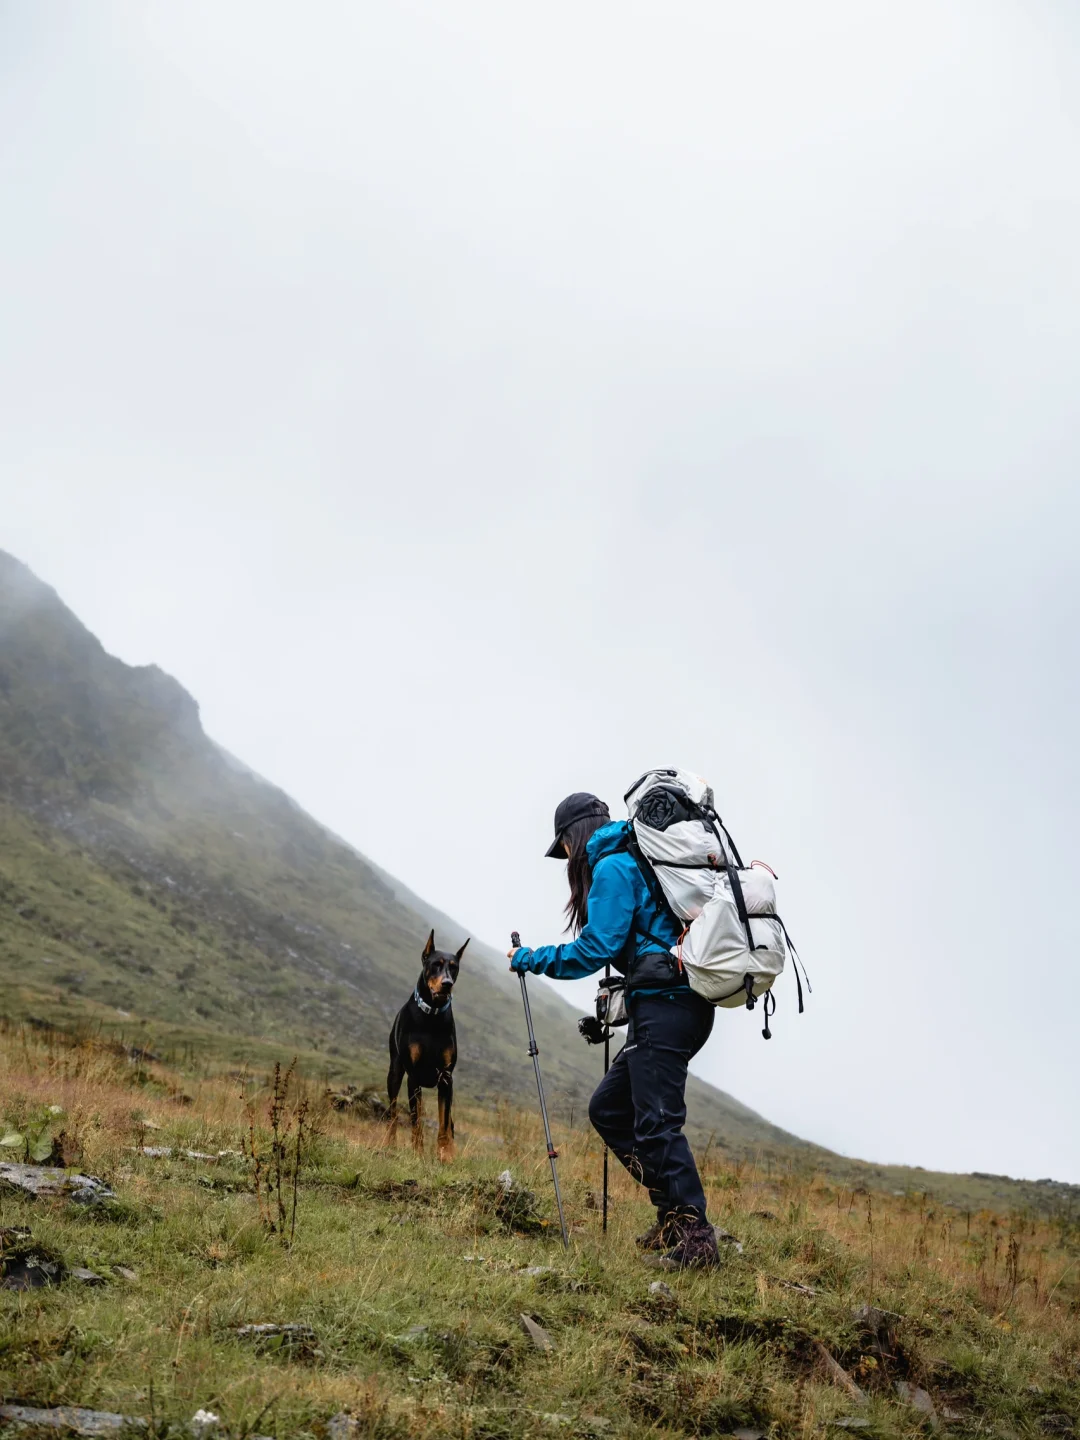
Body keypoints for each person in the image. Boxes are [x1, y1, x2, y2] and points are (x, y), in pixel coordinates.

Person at [508, 791, 720, 1269]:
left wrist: (531, 959)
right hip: (670, 1007)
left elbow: (594, 948)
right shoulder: (630, 859)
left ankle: (696, 1237)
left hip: (669, 1009)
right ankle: (671, 1215)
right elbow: (648, 946)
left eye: (562, 847)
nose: (564, 858)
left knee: (658, 1122)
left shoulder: (612, 866)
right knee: (609, 1109)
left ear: (572, 837)